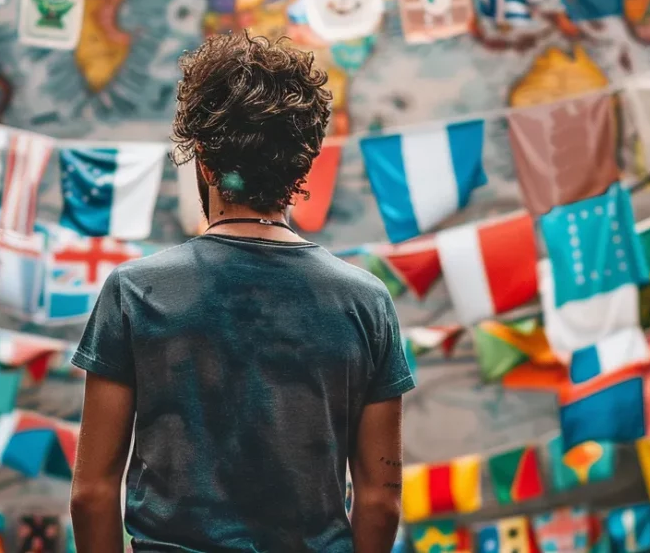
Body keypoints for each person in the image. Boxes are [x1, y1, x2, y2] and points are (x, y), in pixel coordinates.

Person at [70, 32, 415, 553]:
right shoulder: (365, 304)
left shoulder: (135, 292)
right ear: (302, 169)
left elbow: (92, 494)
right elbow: (380, 500)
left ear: (204, 164)